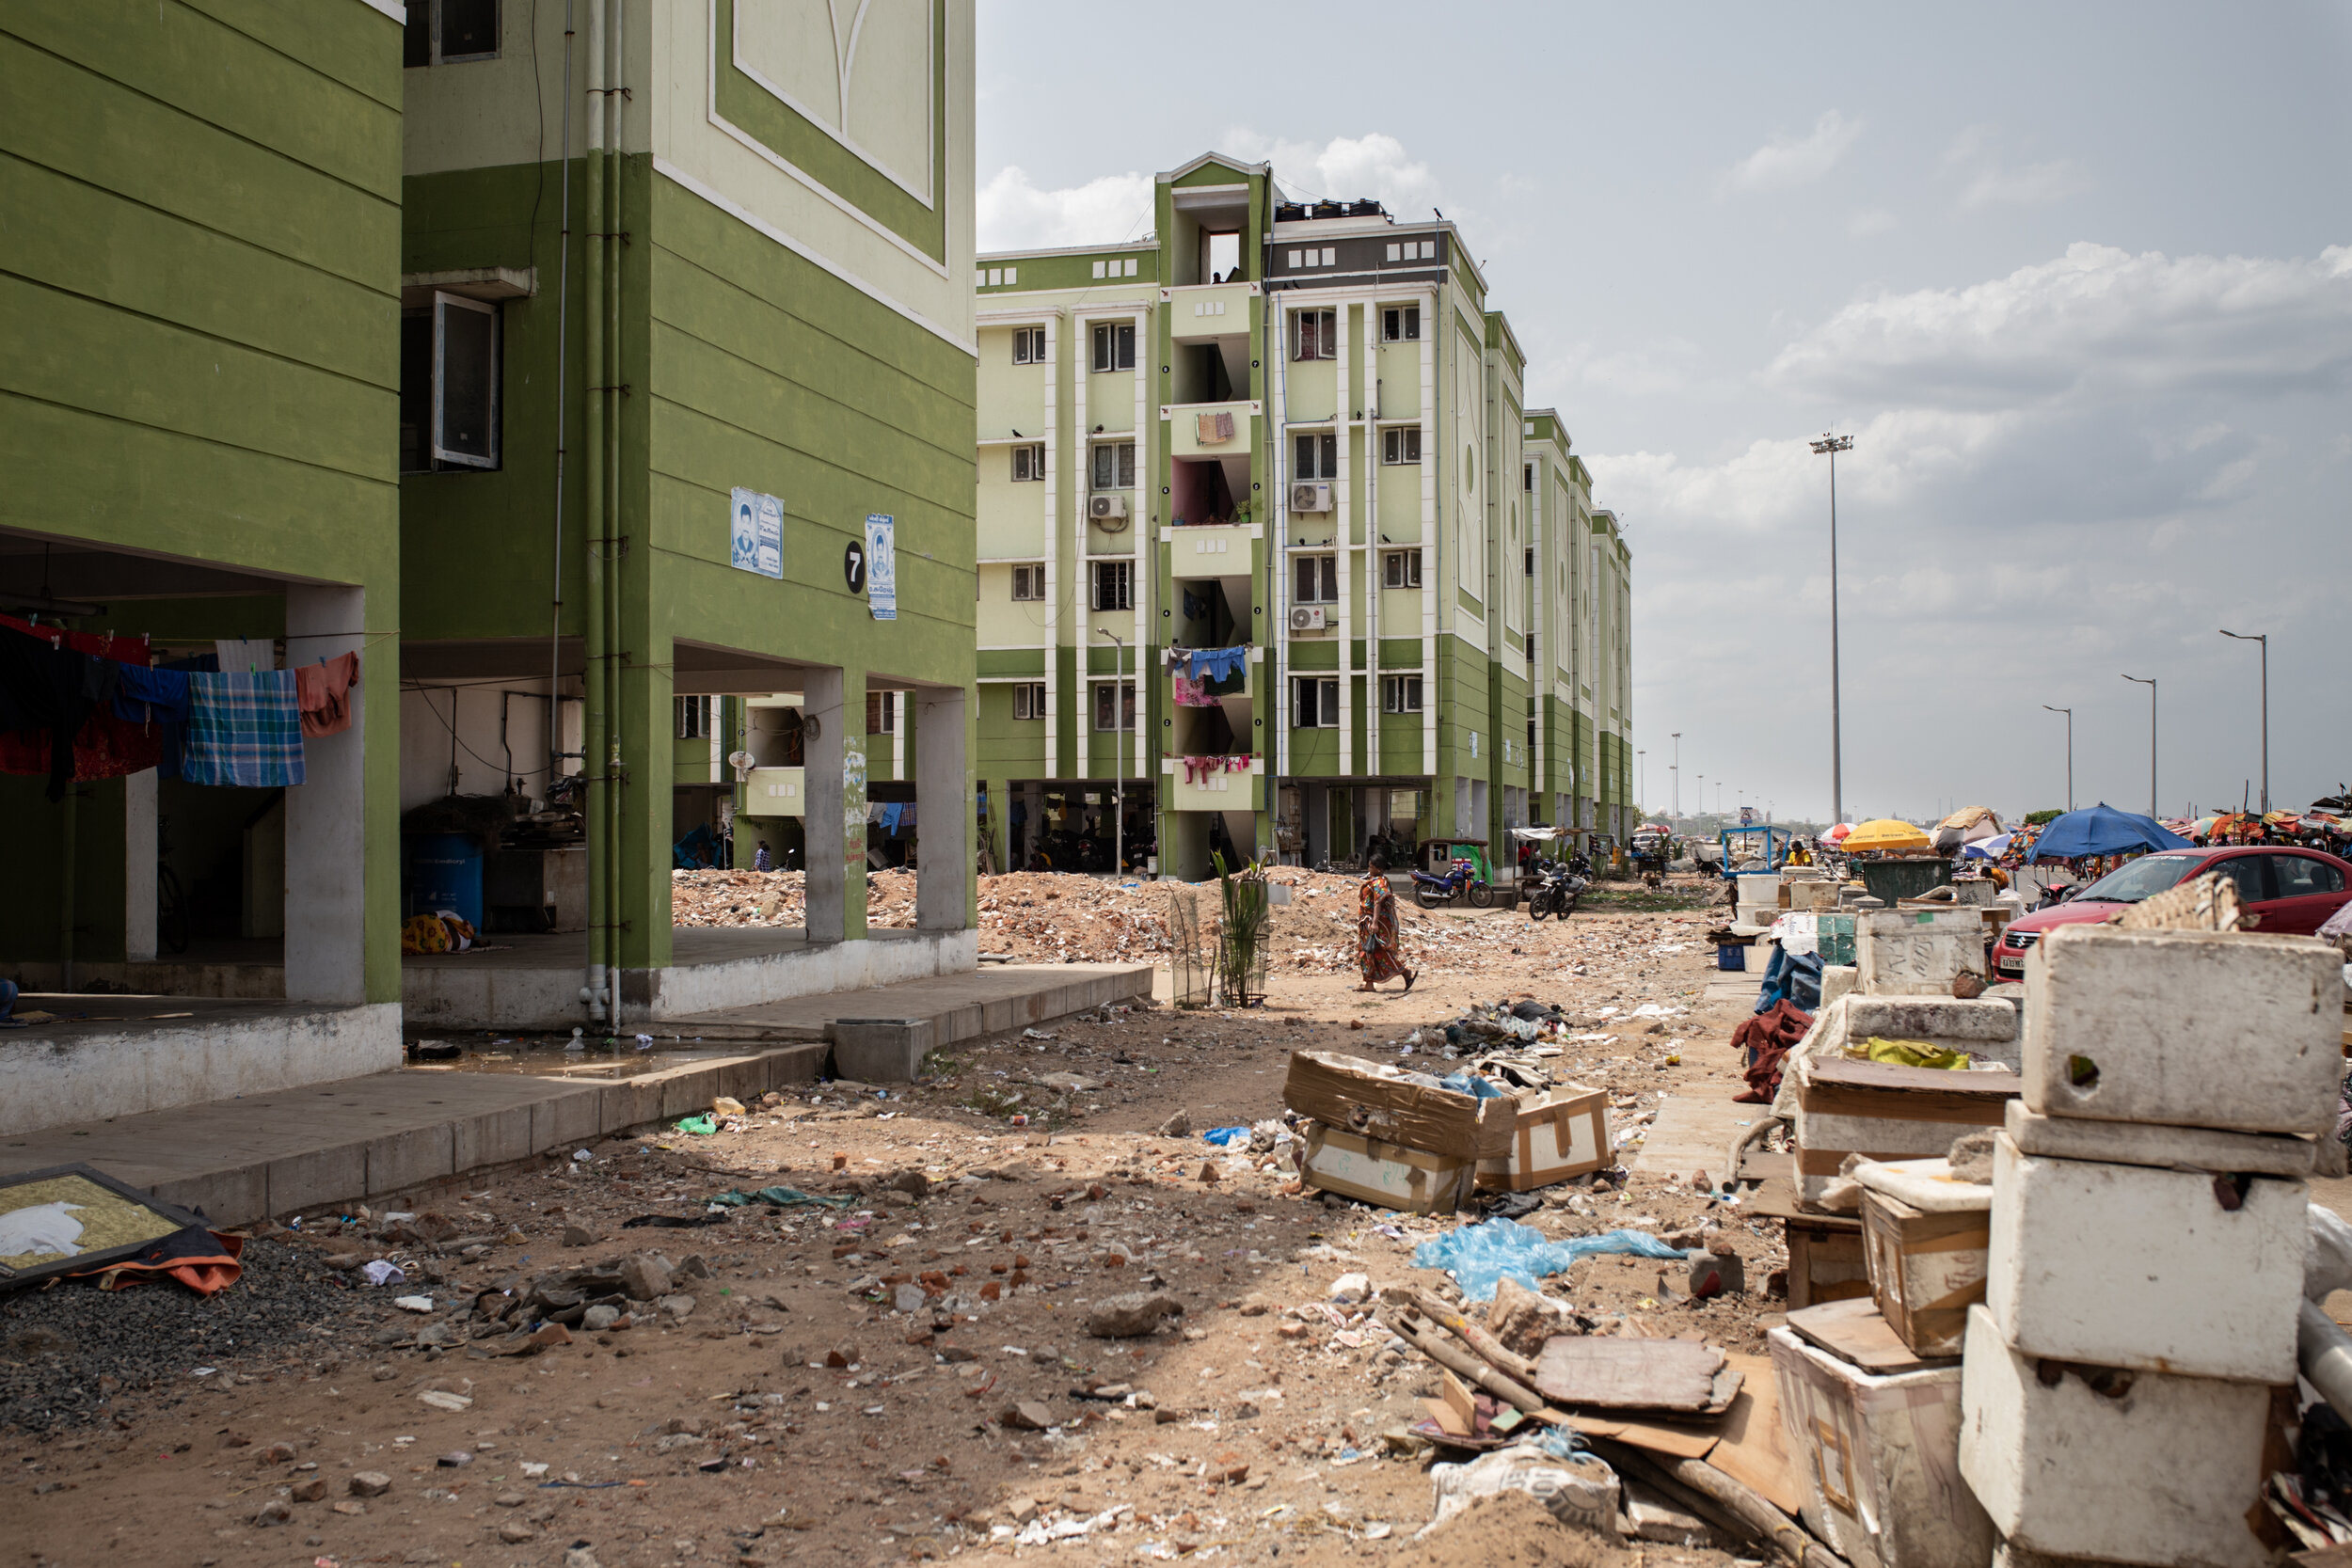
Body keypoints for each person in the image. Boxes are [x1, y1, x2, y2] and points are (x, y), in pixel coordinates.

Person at [1357, 855, 1416, 993]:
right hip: (1368, 922)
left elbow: (1378, 902)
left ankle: (1404, 972)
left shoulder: (1379, 883)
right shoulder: (1376, 881)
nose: (1369, 869)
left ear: (1378, 869)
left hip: (1374, 923)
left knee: (1375, 951)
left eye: (1371, 867)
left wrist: (1375, 923)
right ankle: (1369, 983)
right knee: (1369, 952)